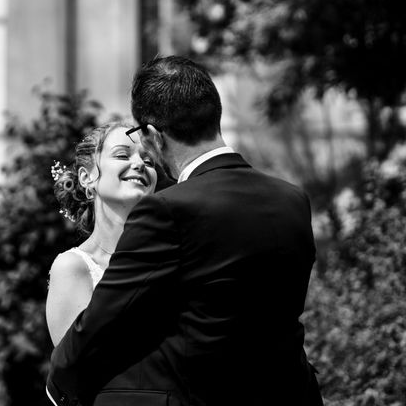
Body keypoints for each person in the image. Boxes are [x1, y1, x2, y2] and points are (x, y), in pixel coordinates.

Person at [46, 56, 323, 406]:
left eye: (141, 146)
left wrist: (57, 388)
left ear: (151, 136)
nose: (140, 160)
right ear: (214, 113)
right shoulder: (293, 200)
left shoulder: (169, 211)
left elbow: (99, 331)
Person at [46, 122, 159, 346]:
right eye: (122, 155)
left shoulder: (170, 256)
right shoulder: (72, 267)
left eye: (148, 160)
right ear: (87, 178)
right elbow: (74, 368)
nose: (139, 164)